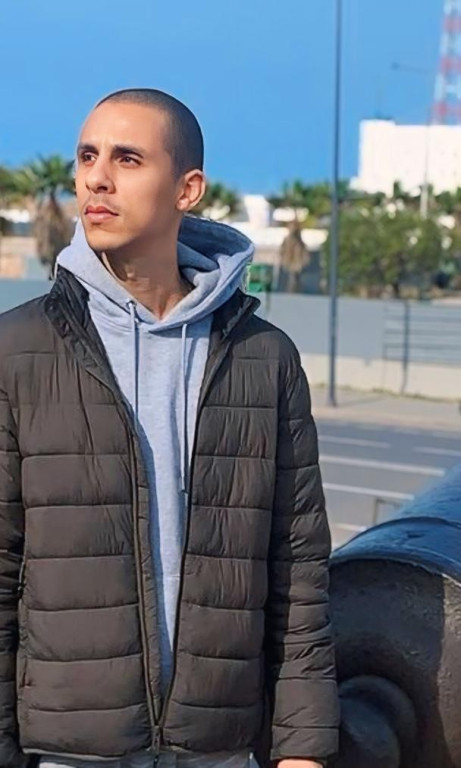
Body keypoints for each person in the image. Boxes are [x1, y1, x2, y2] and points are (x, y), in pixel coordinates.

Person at [0, 89, 339, 768]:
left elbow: (298, 572)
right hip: (67, 751)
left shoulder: (263, 358)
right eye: (87, 156)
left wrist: (301, 749)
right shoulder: (19, 350)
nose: (97, 178)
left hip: (219, 747)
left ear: (188, 189)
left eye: (127, 159)